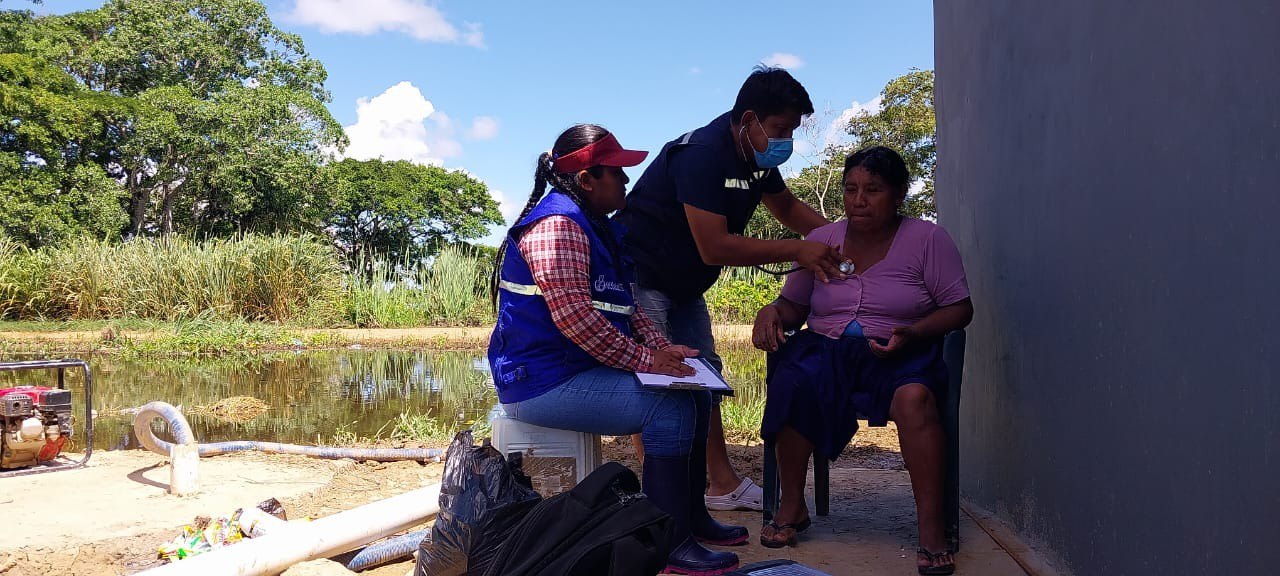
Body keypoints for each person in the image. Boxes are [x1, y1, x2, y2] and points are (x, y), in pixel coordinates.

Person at [488, 124, 746, 575]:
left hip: (573, 370)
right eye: (617, 172)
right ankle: (667, 544)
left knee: (698, 395)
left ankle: (690, 519)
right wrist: (647, 361)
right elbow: (575, 318)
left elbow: (627, 308)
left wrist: (664, 348)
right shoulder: (559, 227)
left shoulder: (596, 228)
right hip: (541, 381)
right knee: (668, 410)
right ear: (586, 179)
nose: (627, 180)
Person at [616, 66, 845, 513]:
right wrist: (800, 250)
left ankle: (721, 484)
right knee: (661, 378)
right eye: (781, 129)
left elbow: (788, 208)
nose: (786, 140)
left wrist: (843, 239)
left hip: (685, 284)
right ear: (749, 120)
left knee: (704, 375)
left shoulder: (757, 158)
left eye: (792, 130)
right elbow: (715, 246)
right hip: (641, 277)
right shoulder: (701, 155)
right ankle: (659, 499)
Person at [751, 146, 973, 575]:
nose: (859, 200)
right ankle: (792, 504)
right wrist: (771, 311)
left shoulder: (928, 240)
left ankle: (932, 527)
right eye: (851, 189)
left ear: (898, 194)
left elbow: (960, 309)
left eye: (873, 190)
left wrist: (915, 332)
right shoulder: (820, 241)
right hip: (826, 349)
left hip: (900, 350)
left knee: (914, 400)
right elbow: (794, 306)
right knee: (793, 383)